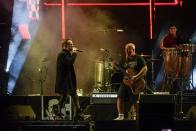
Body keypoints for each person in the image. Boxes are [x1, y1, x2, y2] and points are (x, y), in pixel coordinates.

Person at [55, 38, 88, 121]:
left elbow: (69, 63)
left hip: (69, 80)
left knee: (74, 96)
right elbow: (69, 62)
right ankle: (58, 114)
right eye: (70, 44)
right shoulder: (62, 54)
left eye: (72, 44)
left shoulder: (67, 54)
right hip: (64, 81)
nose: (72, 45)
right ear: (65, 46)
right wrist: (74, 54)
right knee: (64, 97)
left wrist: (72, 54)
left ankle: (78, 114)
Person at [114, 43, 148, 120]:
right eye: (126, 49)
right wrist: (115, 67)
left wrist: (136, 77)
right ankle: (120, 116)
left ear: (133, 49)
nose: (127, 51)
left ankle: (136, 116)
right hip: (125, 82)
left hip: (135, 82)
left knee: (135, 100)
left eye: (129, 49)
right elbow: (120, 71)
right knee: (120, 97)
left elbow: (145, 69)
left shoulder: (138, 58)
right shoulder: (123, 59)